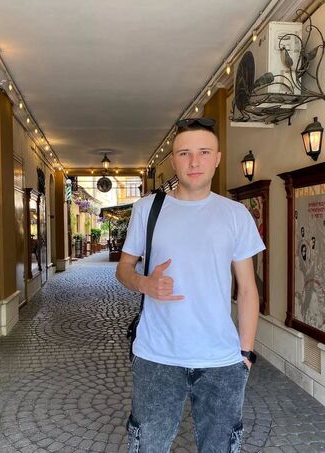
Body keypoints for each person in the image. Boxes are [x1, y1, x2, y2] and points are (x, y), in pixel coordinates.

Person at [116, 118, 265, 453]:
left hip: (221, 360)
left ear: (217, 158)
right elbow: (123, 269)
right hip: (156, 356)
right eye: (184, 153)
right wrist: (144, 283)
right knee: (148, 447)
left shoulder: (235, 215)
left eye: (204, 152)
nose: (194, 161)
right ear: (173, 160)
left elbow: (247, 289)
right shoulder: (147, 210)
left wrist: (244, 353)